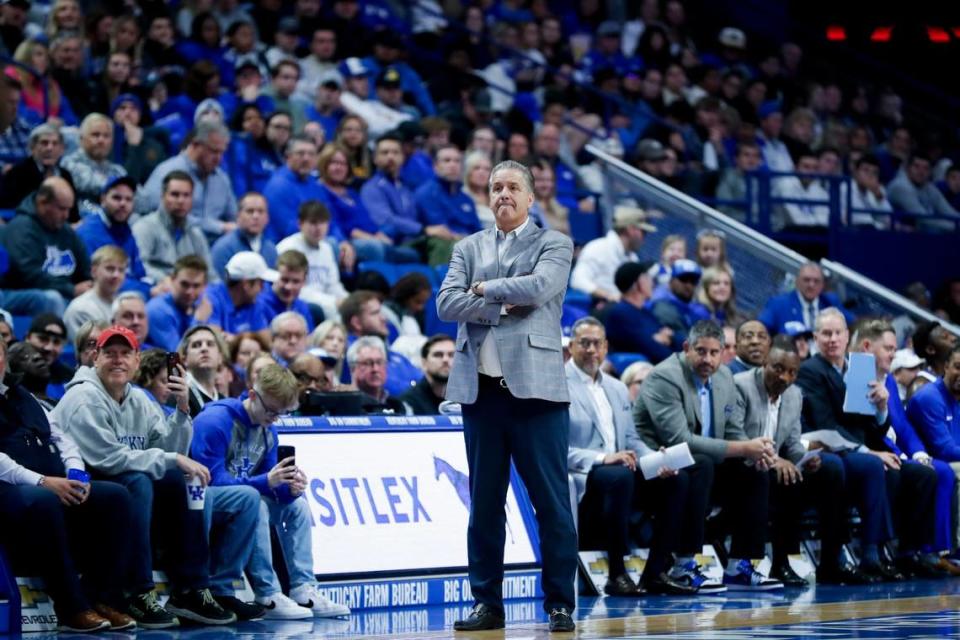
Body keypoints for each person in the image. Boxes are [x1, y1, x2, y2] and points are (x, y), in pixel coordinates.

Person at [437, 160, 578, 632]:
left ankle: (560, 603)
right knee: (484, 506)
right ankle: (487, 603)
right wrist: (501, 301)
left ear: (530, 197)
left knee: (552, 504)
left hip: (538, 395)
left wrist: (481, 289)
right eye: (495, 187)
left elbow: (540, 288)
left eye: (512, 187)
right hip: (482, 396)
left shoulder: (554, 242)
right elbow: (445, 303)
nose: (502, 194)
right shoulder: (467, 246)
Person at [53, 326, 239, 627]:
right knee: (138, 481)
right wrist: (171, 458)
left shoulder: (138, 398)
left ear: (137, 361)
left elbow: (169, 452)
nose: (117, 360)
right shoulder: (83, 397)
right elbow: (108, 458)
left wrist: (181, 409)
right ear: (95, 358)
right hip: (80, 488)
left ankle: (191, 589)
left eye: (125, 354)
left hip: (118, 483)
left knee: (179, 480)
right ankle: (137, 592)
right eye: (109, 354)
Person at [191, 363, 351, 618]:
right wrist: (266, 482)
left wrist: (290, 489)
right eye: (271, 411)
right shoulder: (216, 421)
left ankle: (303, 587)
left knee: (298, 506)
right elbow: (211, 479)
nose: (274, 419)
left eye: (281, 414)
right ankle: (267, 593)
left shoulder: (268, 430)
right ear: (253, 395)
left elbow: (271, 484)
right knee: (256, 501)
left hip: (245, 501)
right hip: (204, 502)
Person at [635, 320, 782, 592]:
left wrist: (757, 450)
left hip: (705, 465)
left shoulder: (724, 377)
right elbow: (681, 441)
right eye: (701, 351)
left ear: (724, 352)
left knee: (756, 471)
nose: (708, 359)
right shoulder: (665, 377)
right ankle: (684, 566)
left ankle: (740, 566)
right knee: (702, 464)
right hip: (657, 462)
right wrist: (744, 448)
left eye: (715, 353)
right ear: (686, 348)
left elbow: (734, 430)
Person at [0, 338, 135, 633]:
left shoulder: (22, 396)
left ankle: (100, 597)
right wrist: (42, 481)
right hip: (11, 489)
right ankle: (71, 607)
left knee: (115, 496)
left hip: (51, 482)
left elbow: (62, 438)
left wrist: (78, 476)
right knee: (43, 501)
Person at [797, 310, 942, 579]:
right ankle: (871, 553)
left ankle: (909, 552)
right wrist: (870, 452)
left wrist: (882, 407)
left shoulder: (857, 368)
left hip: (859, 448)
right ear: (816, 338)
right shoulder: (810, 370)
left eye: (837, 333)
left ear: (847, 336)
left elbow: (872, 428)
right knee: (873, 465)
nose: (832, 339)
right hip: (829, 448)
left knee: (922, 474)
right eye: (826, 334)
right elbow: (826, 424)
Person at [566, 318, 696, 596]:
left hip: (622, 469)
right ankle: (616, 572)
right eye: (584, 343)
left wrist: (655, 457)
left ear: (606, 347)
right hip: (585, 471)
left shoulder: (616, 387)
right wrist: (604, 457)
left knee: (678, 479)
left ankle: (656, 572)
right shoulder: (558, 386)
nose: (591, 350)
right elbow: (556, 448)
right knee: (620, 476)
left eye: (597, 343)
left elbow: (632, 439)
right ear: (571, 347)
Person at [733, 344, 863, 585]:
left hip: (772, 464)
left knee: (830, 470)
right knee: (784, 479)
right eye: (778, 369)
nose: (785, 377)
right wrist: (777, 460)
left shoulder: (794, 394)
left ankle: (832, 562)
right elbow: (736, 437)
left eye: (792, 372)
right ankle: (779, 562)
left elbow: (792, 444)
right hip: (740, 464)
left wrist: (805, 458)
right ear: (765, 364)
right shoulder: (741, 386)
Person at [1, 176, 91, 317]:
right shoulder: (21, 228)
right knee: (52, 299)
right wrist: (71, 289)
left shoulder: (65, 230)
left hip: (63, 291)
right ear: (42, 203)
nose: (66, 215)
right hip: (24, 291)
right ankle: (58, 339)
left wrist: (91, 286)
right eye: (61, 209)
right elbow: (29, 275)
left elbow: (85, 267)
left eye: (69, 209)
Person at [139, 121, 236, 239]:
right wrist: (219, 227)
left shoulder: (221, 179)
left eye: (222, 153)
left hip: (215, 247)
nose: (219, 159)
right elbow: (160, 213)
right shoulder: (168, 171)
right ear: (195, 145)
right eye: (214, 151)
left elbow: (233, 216)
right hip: (173, 241)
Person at [133, 170, 216, 285]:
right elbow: (138, 266)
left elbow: (210, 274)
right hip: (157, 289)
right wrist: (168, 280)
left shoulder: (196, 234)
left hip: (190, 291)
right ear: (163, 196)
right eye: (175, 195)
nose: (181, 201)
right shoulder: (144, 227)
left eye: (186, 195)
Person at [76, 175, 149, 294]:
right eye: (116, 198)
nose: (123, 204)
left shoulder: (125, 229)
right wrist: (148, 290)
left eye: (128, 199)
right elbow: (101, 280)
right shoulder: (89, 232)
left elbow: (139, 272)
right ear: (103, 200)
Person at [569, 206, 657, 304]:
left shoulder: (632, 258)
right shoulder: (598, 248)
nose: (644, 238)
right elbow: (578, 281)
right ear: (631, 229)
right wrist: (608, 296)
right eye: (643, 232)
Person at [413, 144, 481, 266]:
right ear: (435, 166)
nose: (453, 165)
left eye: (457, 161)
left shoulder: (466, 199)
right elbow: (442, 230)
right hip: (440, 244)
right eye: (447, 160)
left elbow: (477, 230)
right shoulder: (427, 193)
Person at [262, 135, 331, 243]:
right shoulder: (277, 186)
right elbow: (288, 228)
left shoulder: (315, 185)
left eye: (311, 154)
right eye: (300, 153)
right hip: (288, 247)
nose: (306, 158)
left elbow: (330, 219)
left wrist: (342, 241)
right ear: (287, 157)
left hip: (316, 238)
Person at [604, 262, 675, 362]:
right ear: (638, 283)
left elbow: (671, 336)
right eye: (647, 277)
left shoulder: (646, 312)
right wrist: (655, 339)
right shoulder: (620, 313)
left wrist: (668, 337)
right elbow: (650, 348)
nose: (652, 283)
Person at [360, 133, 423, 245]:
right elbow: (384, 220)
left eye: (395, 152)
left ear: (402, 157)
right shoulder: (371, 187)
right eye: (385, 153)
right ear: (375, 158)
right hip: (393, 243)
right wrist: (421, 229)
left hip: (415, 240)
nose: (390, 157)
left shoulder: (406, 186)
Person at [0, 123, 77, 213]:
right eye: (44, 143)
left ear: (62, 149)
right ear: (32, 147)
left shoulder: (66, 175)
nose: (50, 148)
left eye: (55, 143)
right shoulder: (17, 174)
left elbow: (73, 213)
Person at [758, 262, 854, 335]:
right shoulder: (778, 303)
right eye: (806, 280)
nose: (811, 285)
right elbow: (760, 329)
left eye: (816, 281)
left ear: (823, 285)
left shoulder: (830, 302)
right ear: (797, 282)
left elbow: (854, 325)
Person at [146, 255, 212, 352]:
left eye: (196, 286)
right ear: (173, 279)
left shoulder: (199, 306)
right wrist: (198, 322)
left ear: (204, 286)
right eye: (184, 284)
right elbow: (177, 355)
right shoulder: (157, 310)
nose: (189, 291)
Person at [204, 251, 275, 341]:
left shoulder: (254, 302)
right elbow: (215, 341)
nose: (263, 289)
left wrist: (235, 339)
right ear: (246, 285)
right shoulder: (211, 299)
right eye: (261, 283)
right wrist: (251, 338)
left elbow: (266, 342)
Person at [61, 112, 127, 208]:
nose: (101, 140)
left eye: (106, 136)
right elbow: (89, 183)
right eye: (96, 135)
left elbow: (143, 201)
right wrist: (124, 190)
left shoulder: (117, 170)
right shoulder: (69, 163)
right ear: (81, 138)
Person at [210, 193, 278, 281]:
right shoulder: (223, 248)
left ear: (267, 218)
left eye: (260, 211)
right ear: (238, 216)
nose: (255, 216)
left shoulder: (271, 249)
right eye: (250, 211)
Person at [64, 245, 127, 339]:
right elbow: (87, 350)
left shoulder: (123, 303)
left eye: (121, 270)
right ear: (94, 271)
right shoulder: (80, 309)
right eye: (110, 269)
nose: (116, 275)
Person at [888, 154, 960, 231]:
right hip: (896, 235)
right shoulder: (900, 187)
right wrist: (955, 227)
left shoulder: (928, 187)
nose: (921, 172)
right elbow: (924, 218)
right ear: (907, 168)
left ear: (930, 172)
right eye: (916, 166)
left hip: (918, 234)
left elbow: (949, 212)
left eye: (926, 168)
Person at [257, 249, 321, 330]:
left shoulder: (302, 307)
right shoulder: (259, 305)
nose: (288, 287)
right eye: (284, 280)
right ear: (275, 276)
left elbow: (308, 339)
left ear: (304, 281)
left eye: (296, 281)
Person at [650, 259, 710, 345]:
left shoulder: (696, 309)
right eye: (684, 279)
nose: (688, 285)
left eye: (693, 281)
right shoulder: (661, 305)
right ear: (671, 281)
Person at [346, 336, 410, 414]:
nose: (375, 369)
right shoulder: (345, 405)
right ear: (352, 368)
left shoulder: (398, 406)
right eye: (368, 363)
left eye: (379, 362)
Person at [179, 324, 228, 417]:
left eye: (210, 344)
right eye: (196, 345)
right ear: (184, 359)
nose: (204, 348)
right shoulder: (178, 395)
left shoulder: (224, 402)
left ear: (220, 357)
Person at [398, 334, 454, 415]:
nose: (445, 359)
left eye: (451, 355)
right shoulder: (409, 401)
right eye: (438, 355)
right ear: (424, 363)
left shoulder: (465, 399)